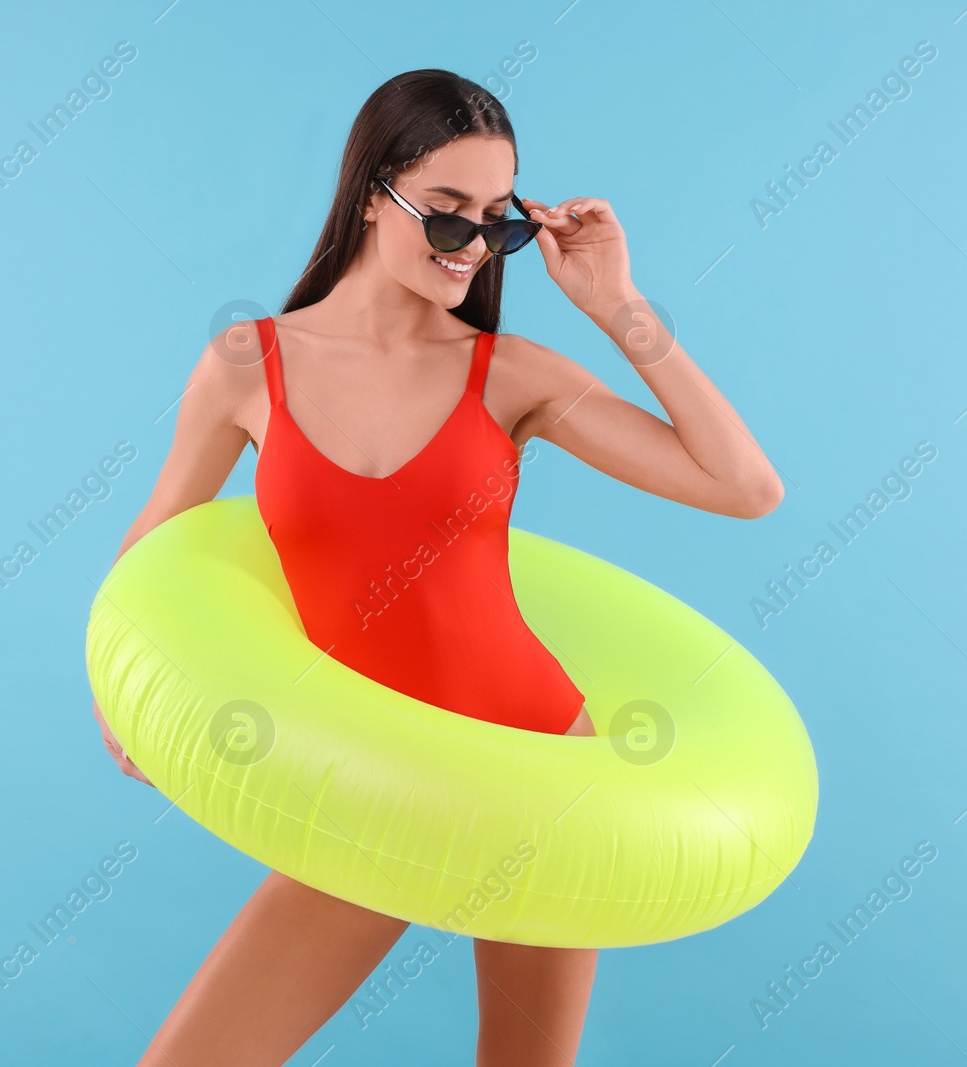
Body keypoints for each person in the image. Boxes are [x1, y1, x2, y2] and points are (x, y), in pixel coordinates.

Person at [92, 68, 783, 1067]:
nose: (472, 244)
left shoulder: (509, 375)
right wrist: (124, 686)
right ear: (374, 194)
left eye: (498, 221)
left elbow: (744, 485)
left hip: (542, 770)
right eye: (447, 212)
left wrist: (616, 302)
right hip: (370, 774)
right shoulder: (249, 362)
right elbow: (160, 531)